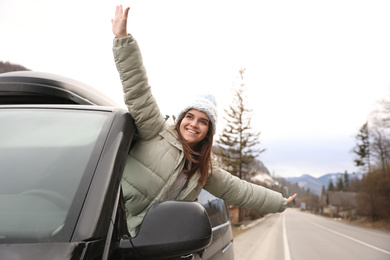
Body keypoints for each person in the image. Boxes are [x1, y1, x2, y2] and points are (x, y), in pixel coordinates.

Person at [111, 5, 297, 237]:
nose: (193, 124)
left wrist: (279, 202)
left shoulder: (204, 170)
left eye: (203, 121)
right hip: (109, 232)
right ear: (180, 118)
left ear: (208, 131)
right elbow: (138, 90)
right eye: (189, 116)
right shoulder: (154, 130)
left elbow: (240, 190)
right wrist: (122, 39)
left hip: (151, 244)